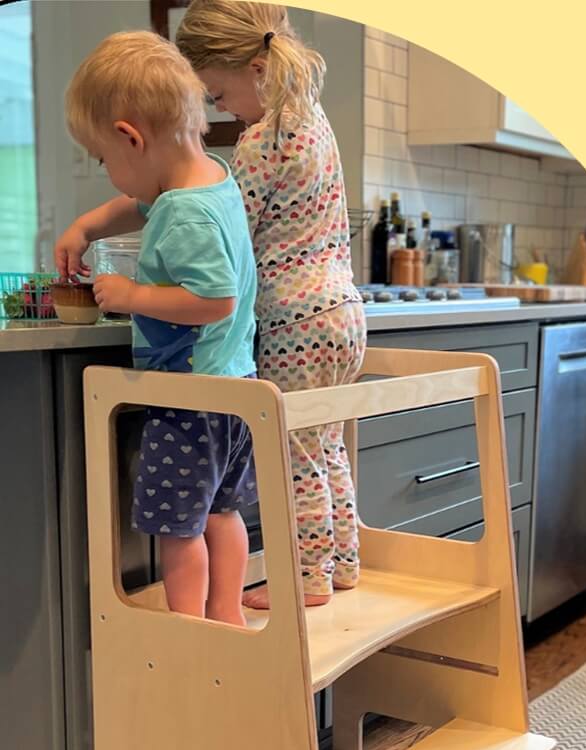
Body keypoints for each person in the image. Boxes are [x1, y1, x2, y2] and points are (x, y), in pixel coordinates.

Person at [56, 30, 258, 626]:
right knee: (222, 516)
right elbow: (139, 202)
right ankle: (226, 618)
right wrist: (86, 227)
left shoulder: (182, 210)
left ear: (130, 138)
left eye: (103, 160)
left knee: (177, 528)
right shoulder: (211, 181)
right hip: (234, 391)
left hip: (188, 399)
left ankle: (189, 632)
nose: (110, 174)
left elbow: (214, 299)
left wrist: (131, 294)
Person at [177, 1, 367, 609]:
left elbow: (236, 227)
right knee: (326, 447)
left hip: (296, 323)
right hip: (343, 314)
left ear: (256, 67)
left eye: (218, 92)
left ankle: (302, 580)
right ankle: (341, 566)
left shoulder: (263, 138)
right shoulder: (313, 120)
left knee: (294, 457)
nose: (220, 107)